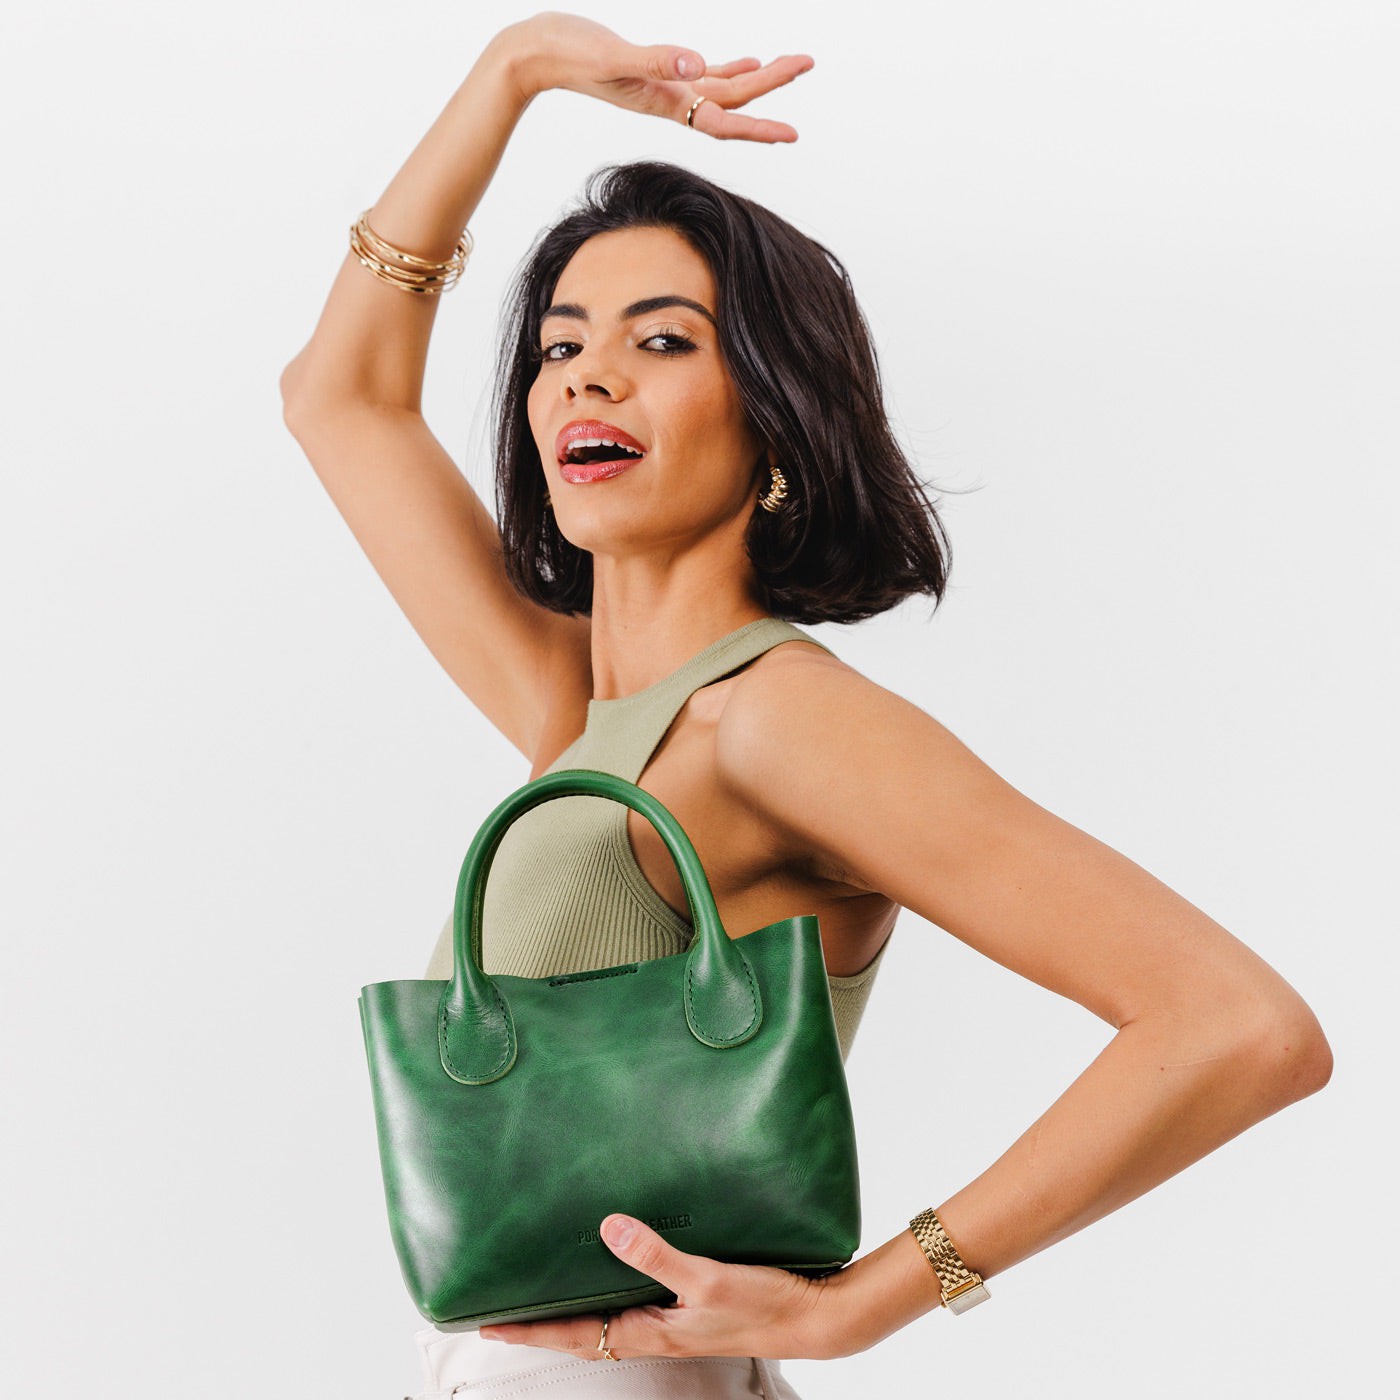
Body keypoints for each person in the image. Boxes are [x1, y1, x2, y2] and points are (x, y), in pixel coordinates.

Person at [280, 13, 1333, 1399]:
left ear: (772, 417)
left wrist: (875, 1301)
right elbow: (341, 398)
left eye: (663, 341)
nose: (586, 374)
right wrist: (517, 70)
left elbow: (1240, 1026)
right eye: (557, 345)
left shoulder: (774, 721)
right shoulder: (576, 712)